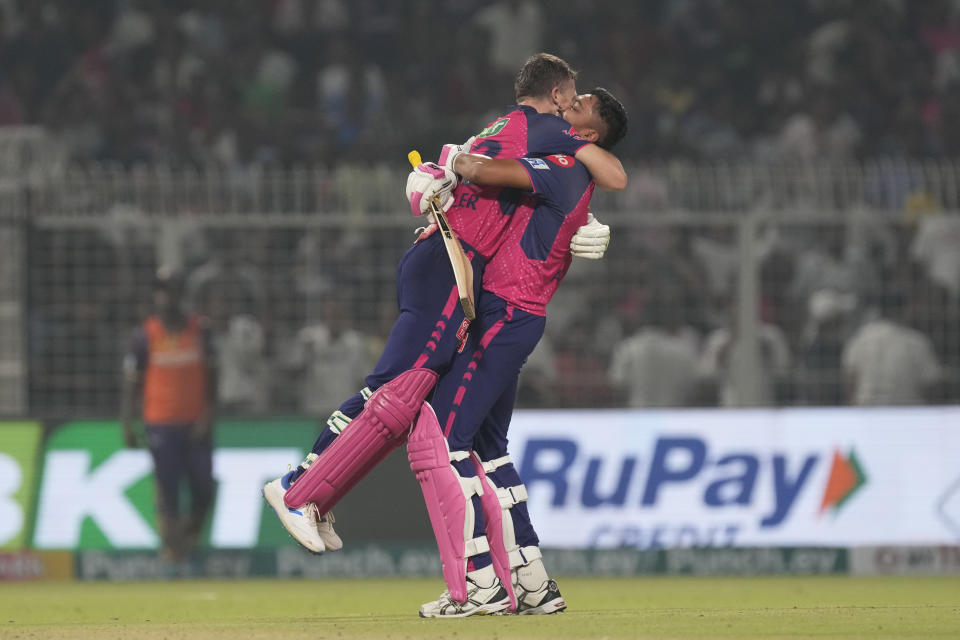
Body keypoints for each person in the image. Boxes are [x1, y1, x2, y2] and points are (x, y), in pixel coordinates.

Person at [263, 52, 625, 555]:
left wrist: (576, 222)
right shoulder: (546, 127)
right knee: (391, 387)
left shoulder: (508, 128)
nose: (573, 108)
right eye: (575, 97)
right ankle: (299, 485)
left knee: (402, 393)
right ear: (559, 96)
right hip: (449, 260)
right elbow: (610, 173)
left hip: (448, 259)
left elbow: (488, 179)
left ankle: (316, 496)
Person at [415, 88, 628, 617]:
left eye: (575, 108)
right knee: (491, 449)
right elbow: (611, 176)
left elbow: (480, 171)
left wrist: (449, 160)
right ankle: (533, 582)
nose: (563, 108)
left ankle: (480, 581)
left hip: (505, 313)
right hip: (515, 314)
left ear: (585, 134)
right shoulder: (568, 166)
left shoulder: (561, 164)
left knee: (447, 439)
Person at [120, 267, 217, 562]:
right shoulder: (144, 335)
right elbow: (132, 384)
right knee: (168, 490)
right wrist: (127, 423)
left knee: (203, 486)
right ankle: (173, 553)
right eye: (160, 291)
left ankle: (187, 539)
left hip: (195, 423)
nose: (165, 297)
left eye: (170, 290)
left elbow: (214, 378)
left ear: (180, 294)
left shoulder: (200, 330)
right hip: (160, 423)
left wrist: (208, 415)